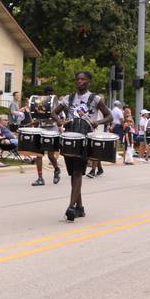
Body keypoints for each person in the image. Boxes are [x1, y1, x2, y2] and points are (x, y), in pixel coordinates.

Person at [51, 71, 113, 221]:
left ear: (89, 81)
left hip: (85, 139)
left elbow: (109, 116)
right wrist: (59, 121)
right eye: (78, 79)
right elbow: (53, 113)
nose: (80, 81)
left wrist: (97, 122)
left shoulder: (95, 99)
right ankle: (80, 208)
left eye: (83, 79)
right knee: (73, 173)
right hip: (69, 138)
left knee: (78, 173)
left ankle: (71, 207)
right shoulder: (69, 98)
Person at [31, 86, 62, 186]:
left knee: (50, 155)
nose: (49, 95)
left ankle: (56, 169)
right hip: (42, 129)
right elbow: (37, 116)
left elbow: (61, 118)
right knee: (38, 154)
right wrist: (35, 121)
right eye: (48, 93)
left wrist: (59, 122)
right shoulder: (40, 102)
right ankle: (40, 178)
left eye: (51, 93)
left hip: (52, 130)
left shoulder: (57, 104)